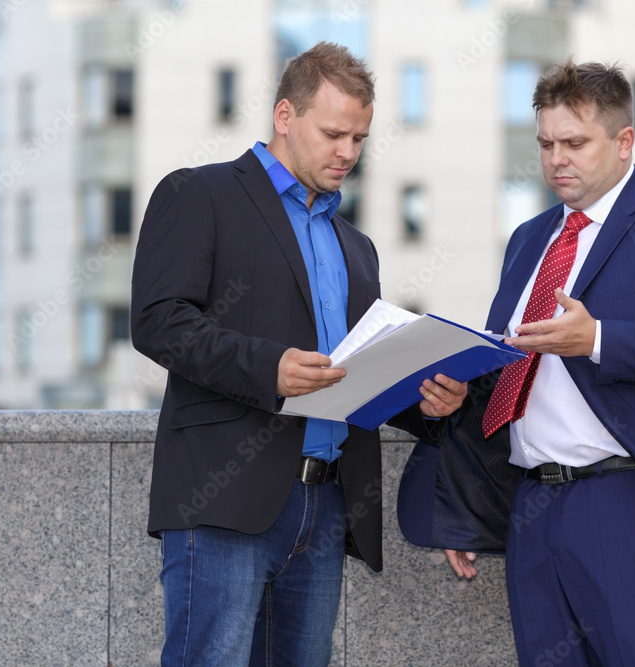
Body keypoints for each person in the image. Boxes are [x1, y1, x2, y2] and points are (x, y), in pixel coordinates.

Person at [399, 59, 635, 666]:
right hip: (530, 509)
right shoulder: (529, 238)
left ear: (624, 141)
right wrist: (458, 415)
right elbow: (511, 373)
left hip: (632, 506)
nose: (556, 159)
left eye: (575, 143)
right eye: (547, 144)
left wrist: (599, 338)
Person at [131, 41, 465, 666]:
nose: (348, 153)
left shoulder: (356, 245)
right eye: (335, 133)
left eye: (360, 139)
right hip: (224, 504)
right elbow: (157, 321)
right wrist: (269, 368)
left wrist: (430, 406)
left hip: (327, 505)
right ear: (285, 115)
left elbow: (362, 375)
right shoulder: (198, 194)